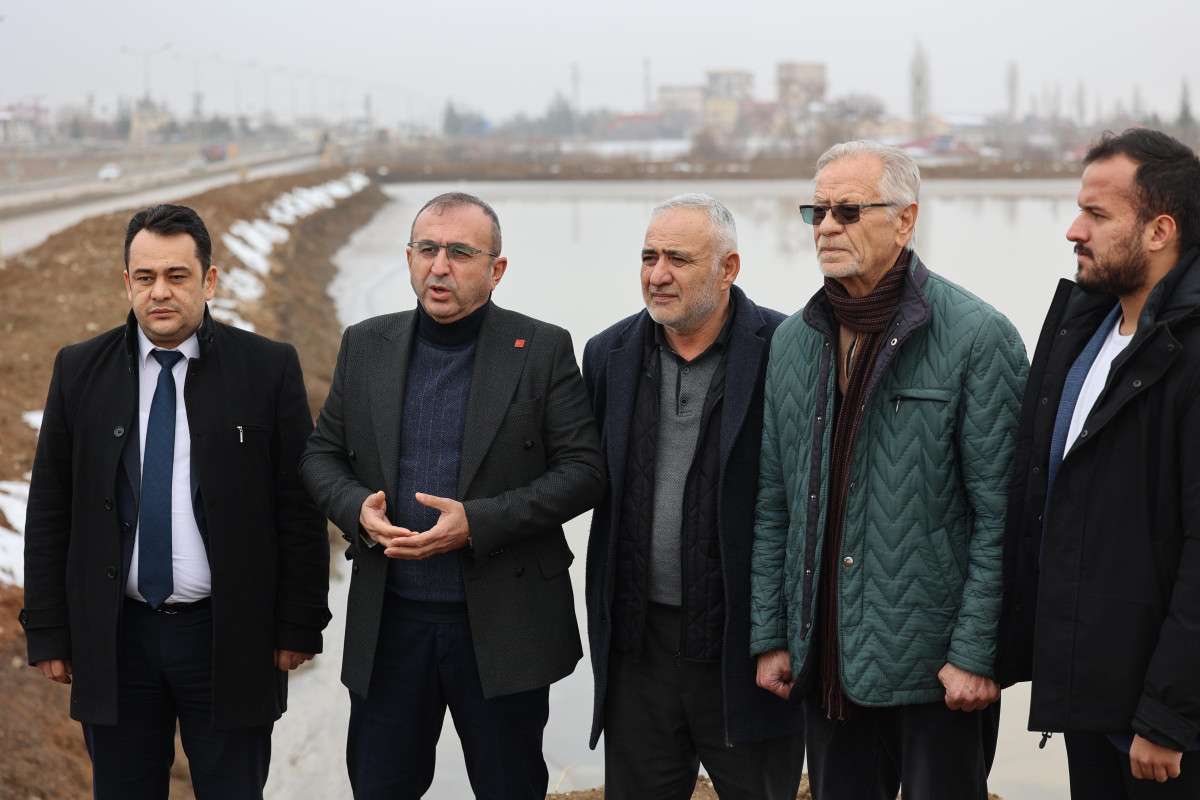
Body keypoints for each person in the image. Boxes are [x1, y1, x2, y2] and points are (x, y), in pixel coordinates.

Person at [19, 203, 331, 799]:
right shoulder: (79, 370)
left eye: (176, 275)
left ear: (209, 281)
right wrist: (48, 629)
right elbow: (50, 508)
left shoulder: (267, 369)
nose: (159, 291)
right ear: (126, 283)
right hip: (116, 639)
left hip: (229, 636)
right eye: (145, 277)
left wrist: (299, 623)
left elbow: (298, 507)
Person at [300, 192, 604, 800]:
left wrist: (478, 522)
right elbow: (320, 455)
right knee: (380, 787)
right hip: (391, 624)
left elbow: (584, 471)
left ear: (497, 269)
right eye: (427, 249)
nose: (439, 267)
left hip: (503, 624)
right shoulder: (366, 344)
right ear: (409, 257)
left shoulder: (541, 349)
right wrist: (356, 509)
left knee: (508, 786)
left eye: (460, 253)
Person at [751, 141, 1028, 799]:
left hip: (937, 673)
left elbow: (1004, 517)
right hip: (827, 663)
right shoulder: (793, 341)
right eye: (816, 211)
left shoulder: (978, 337)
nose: (826, 227)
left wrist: (977, 654)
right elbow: (774, 503)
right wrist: (773, 635)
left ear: (905, 220)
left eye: (848, 211)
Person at [996, 128, 1200, 798]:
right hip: (1092, 699)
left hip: (1165, 727)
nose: (1073, 230)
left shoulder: (1189, 353)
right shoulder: (1083, 332)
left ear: (1159, 230)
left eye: (1097, 214)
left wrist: (1169, 715)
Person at [581, 194, 805, 799]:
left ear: (728, 268)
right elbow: (582, 474)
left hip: (747, 649)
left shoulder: (788, 348)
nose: (657, 274)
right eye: (649, 257)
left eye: (678, 259)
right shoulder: (607, 355)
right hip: (638, 648)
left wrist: (785, 634)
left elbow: (809, 504)